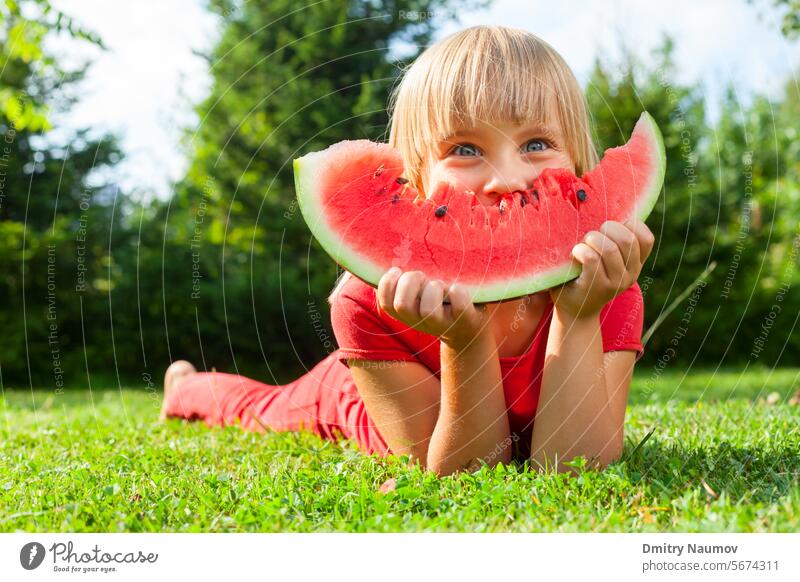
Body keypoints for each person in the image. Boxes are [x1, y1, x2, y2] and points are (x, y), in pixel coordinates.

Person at [161, 25, 654, 476]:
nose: (507, 180)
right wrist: (465, 344)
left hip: (581, 303)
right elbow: (463, 472)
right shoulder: (364, 303)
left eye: (537, 143)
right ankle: (185, 386)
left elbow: (574, 467)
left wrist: (581, 316)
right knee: (264, 409)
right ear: (411, 179)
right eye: (465, 149)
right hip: (357, 396)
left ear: (579, 162)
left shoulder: (607, 289)